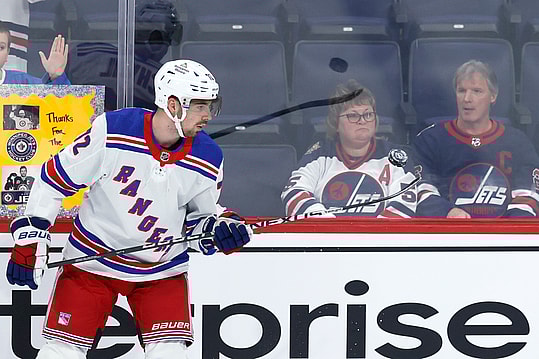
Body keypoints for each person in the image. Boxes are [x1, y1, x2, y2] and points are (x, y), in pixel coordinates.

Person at [5, 59, 253, 359]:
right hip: (91, 260)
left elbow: (199, 221)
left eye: (211, 106)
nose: (208, 116)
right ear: (173, 105)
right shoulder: (114, 130)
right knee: (61, 353)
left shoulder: (209, 157)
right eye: (200, 106)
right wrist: (31, 236)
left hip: (161, 269)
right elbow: (55, 178)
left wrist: (219, 229)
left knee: (170, 355)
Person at [413, 59, 539, 218]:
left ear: (493, 96)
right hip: (447, 233)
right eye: (461, 90)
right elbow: (420, 189)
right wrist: (446, 212)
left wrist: (506, 229)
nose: (467, 99)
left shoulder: (518, 142)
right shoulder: (430, 140)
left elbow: (528, 193)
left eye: (477, 91)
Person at [281, 80, 425, 218]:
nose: (362, 121)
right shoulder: (320, 155)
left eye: (368, 114)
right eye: (353, 115)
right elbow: (293, 193)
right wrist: (329, 226)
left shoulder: (395, 158)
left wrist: (369, 236)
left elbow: (404, 204)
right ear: (335, 123)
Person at [0, 20, 70, 84]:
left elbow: (56, 95)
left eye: (1, 47)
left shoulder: (23, 82)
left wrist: (55, 76)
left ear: (7, 53)